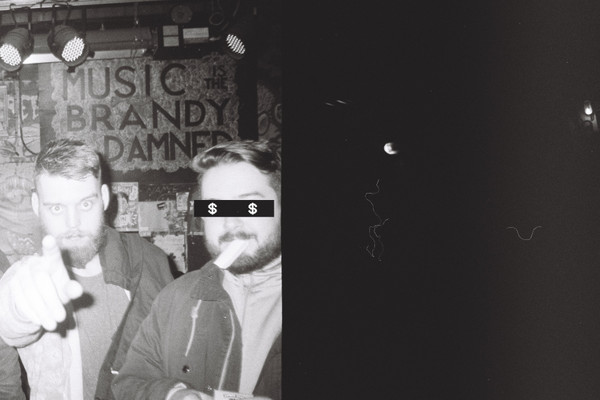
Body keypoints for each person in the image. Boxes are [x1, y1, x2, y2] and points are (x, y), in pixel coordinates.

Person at [0, 138, 174, 400]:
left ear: (103, 198)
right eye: (56, 208)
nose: (73, 223)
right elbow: (10, 318)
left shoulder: (149, 260)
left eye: (84, 204)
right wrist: (23, 309)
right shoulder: (27, 276)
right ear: (36, 205)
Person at [112, 140, 282, 400]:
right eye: (213, 207)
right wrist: (172, 395)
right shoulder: (176, 297)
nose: (230, 222)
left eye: (251, 205)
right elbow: (129, 383)